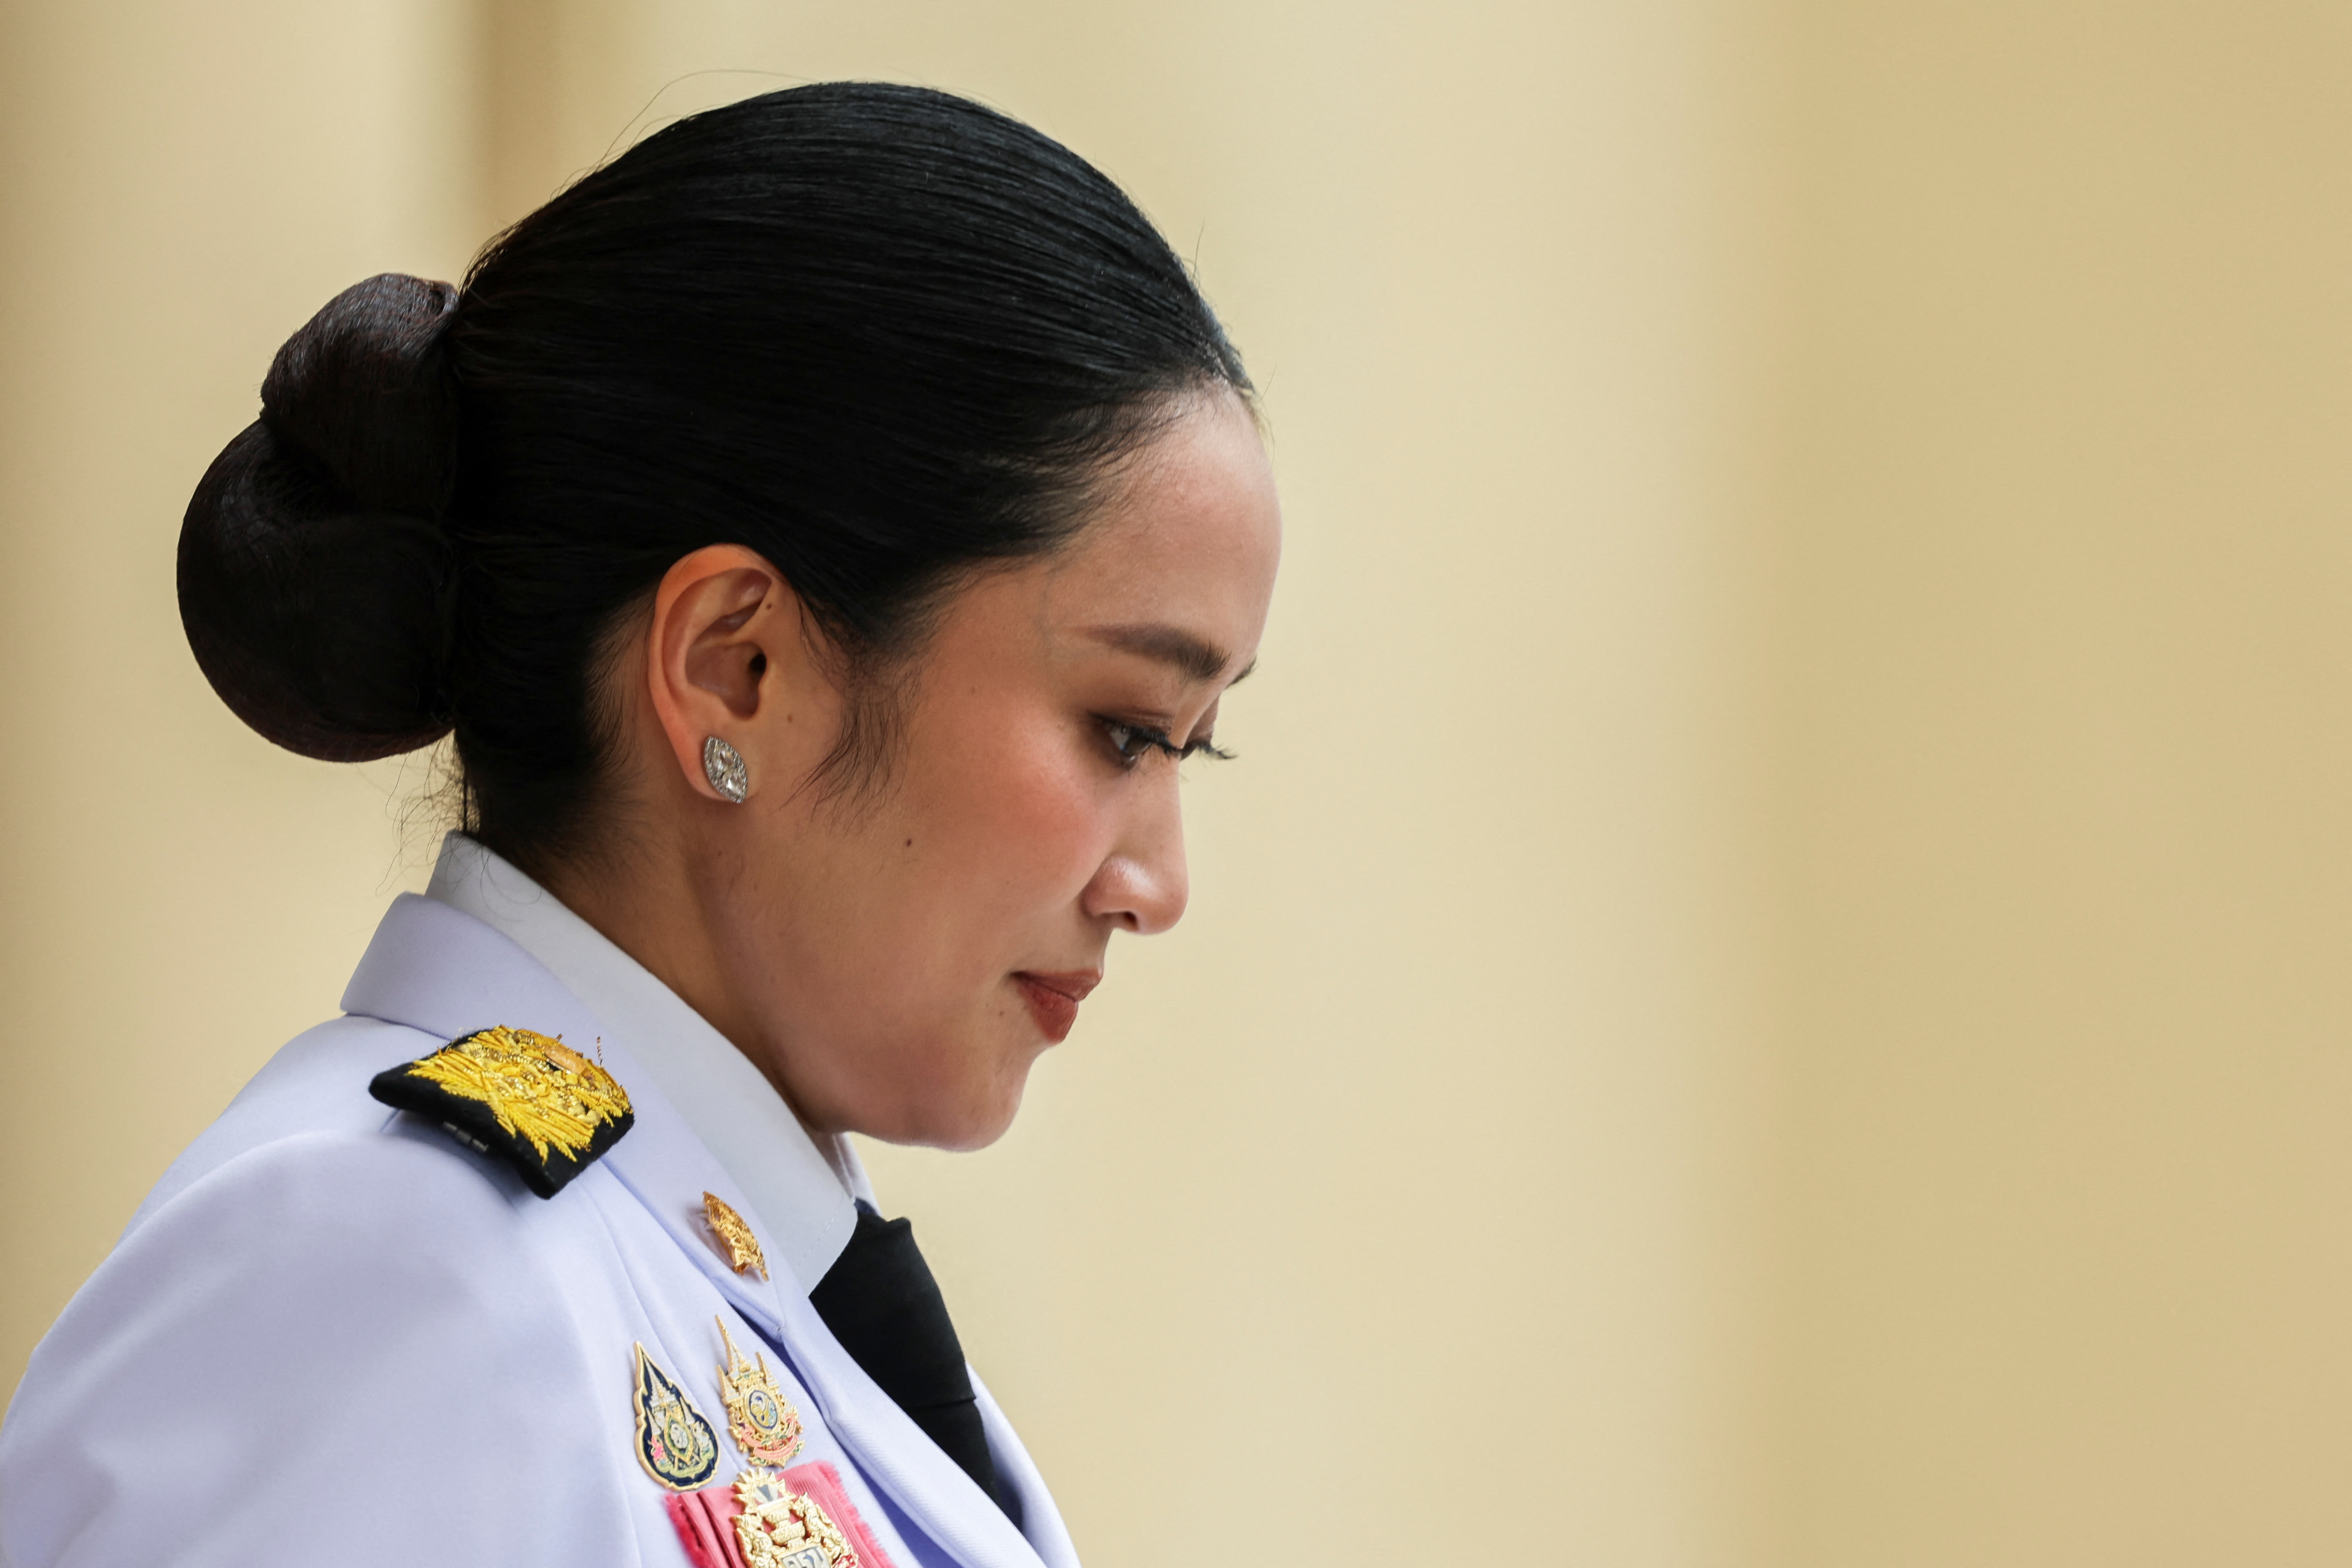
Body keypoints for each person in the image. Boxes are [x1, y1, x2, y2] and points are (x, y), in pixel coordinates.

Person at [0, 82, 1279, 1568]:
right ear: (735, 668)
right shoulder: (395, 1272)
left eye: (1194, 744)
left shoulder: (707, 1278)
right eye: (1123, 728)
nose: (1158, 883)